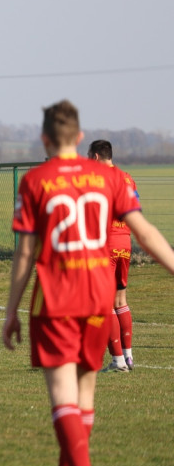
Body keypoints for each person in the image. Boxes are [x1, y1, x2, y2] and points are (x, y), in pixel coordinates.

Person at [2, 100, 174, 466]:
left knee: (63, 396)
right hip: (99, 298)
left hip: (57, 298)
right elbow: (146, 233)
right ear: (80, 138)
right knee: (85, 396)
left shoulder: (35, 181)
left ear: (45, 139)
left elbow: (26, 253)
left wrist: (10, 311)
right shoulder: (107, 177)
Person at [87, 139, 139, 371]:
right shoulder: (127, 178)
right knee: (121, 301)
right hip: (125, 242)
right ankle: (128, 357)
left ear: (96, 157)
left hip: (105, 244)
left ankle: (117, 361)